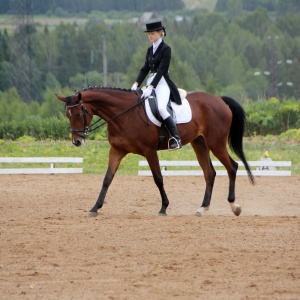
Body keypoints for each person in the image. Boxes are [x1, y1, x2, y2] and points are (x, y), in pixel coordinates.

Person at [131, 21, 182, 150]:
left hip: (163, 83)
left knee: (161, 108)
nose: (150, 36)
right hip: (150, 82)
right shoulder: (150, 50)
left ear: (160, 33)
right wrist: (136, 84)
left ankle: (176, 137)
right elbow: (145, 69)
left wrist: (152, 87)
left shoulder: (166, 49)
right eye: (148, 34)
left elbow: (162, 70)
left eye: (152, 34)